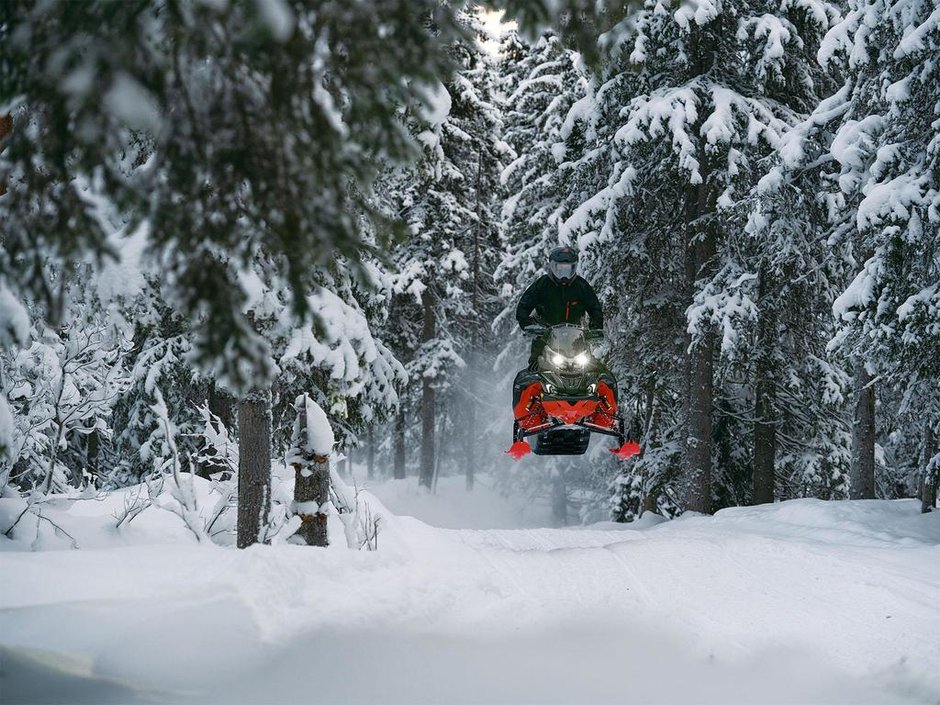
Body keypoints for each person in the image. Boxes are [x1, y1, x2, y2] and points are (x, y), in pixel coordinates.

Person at [515, 246, 604, 369]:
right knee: (535, 371)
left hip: (576, 341)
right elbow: (523, 308)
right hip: (545, 339)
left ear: (574, 267)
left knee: (596, 373)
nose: (564, 275)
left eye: (568, 270)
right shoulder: (542, 285)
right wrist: (531, 326)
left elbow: (595, 309)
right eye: (560, 269)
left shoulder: (581, 286)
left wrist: (595, 329)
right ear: (552, 266)